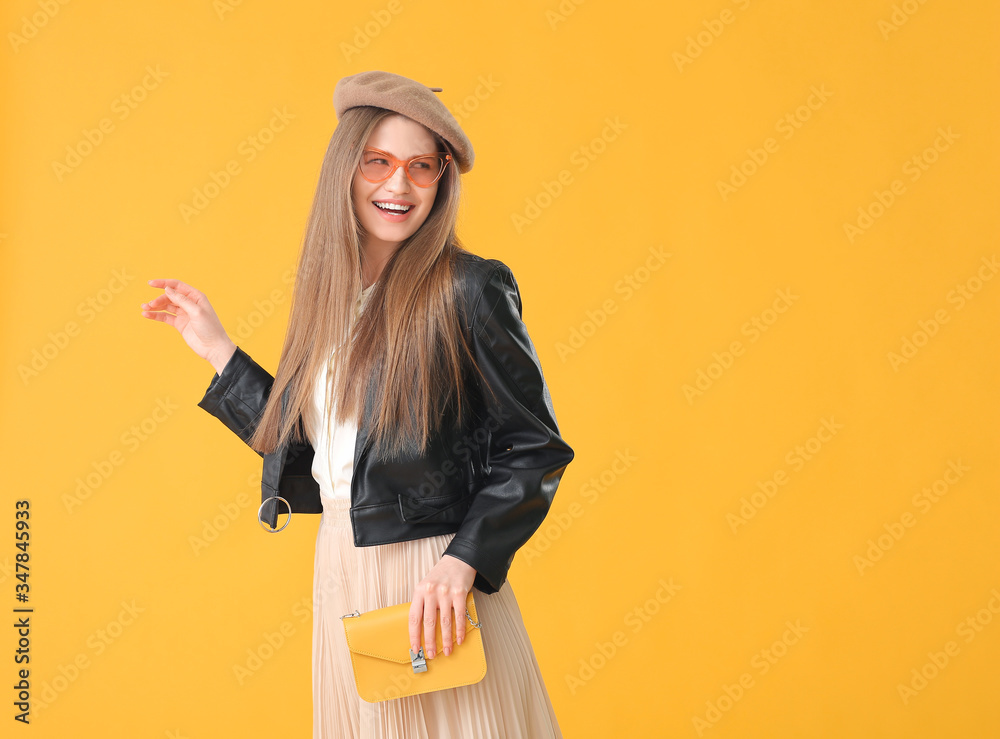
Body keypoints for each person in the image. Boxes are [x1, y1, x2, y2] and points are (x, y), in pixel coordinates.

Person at [140, 70, 573, 738]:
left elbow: (535, 446)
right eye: (378, 162)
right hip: (341, 562)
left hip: (430, 577)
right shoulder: (329, 298)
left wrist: (463, 561)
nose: (398, 185)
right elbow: (317, 452)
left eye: (420, 167)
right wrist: (220, 353)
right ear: (346, 169)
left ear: (441, 182)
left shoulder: (469, 288)